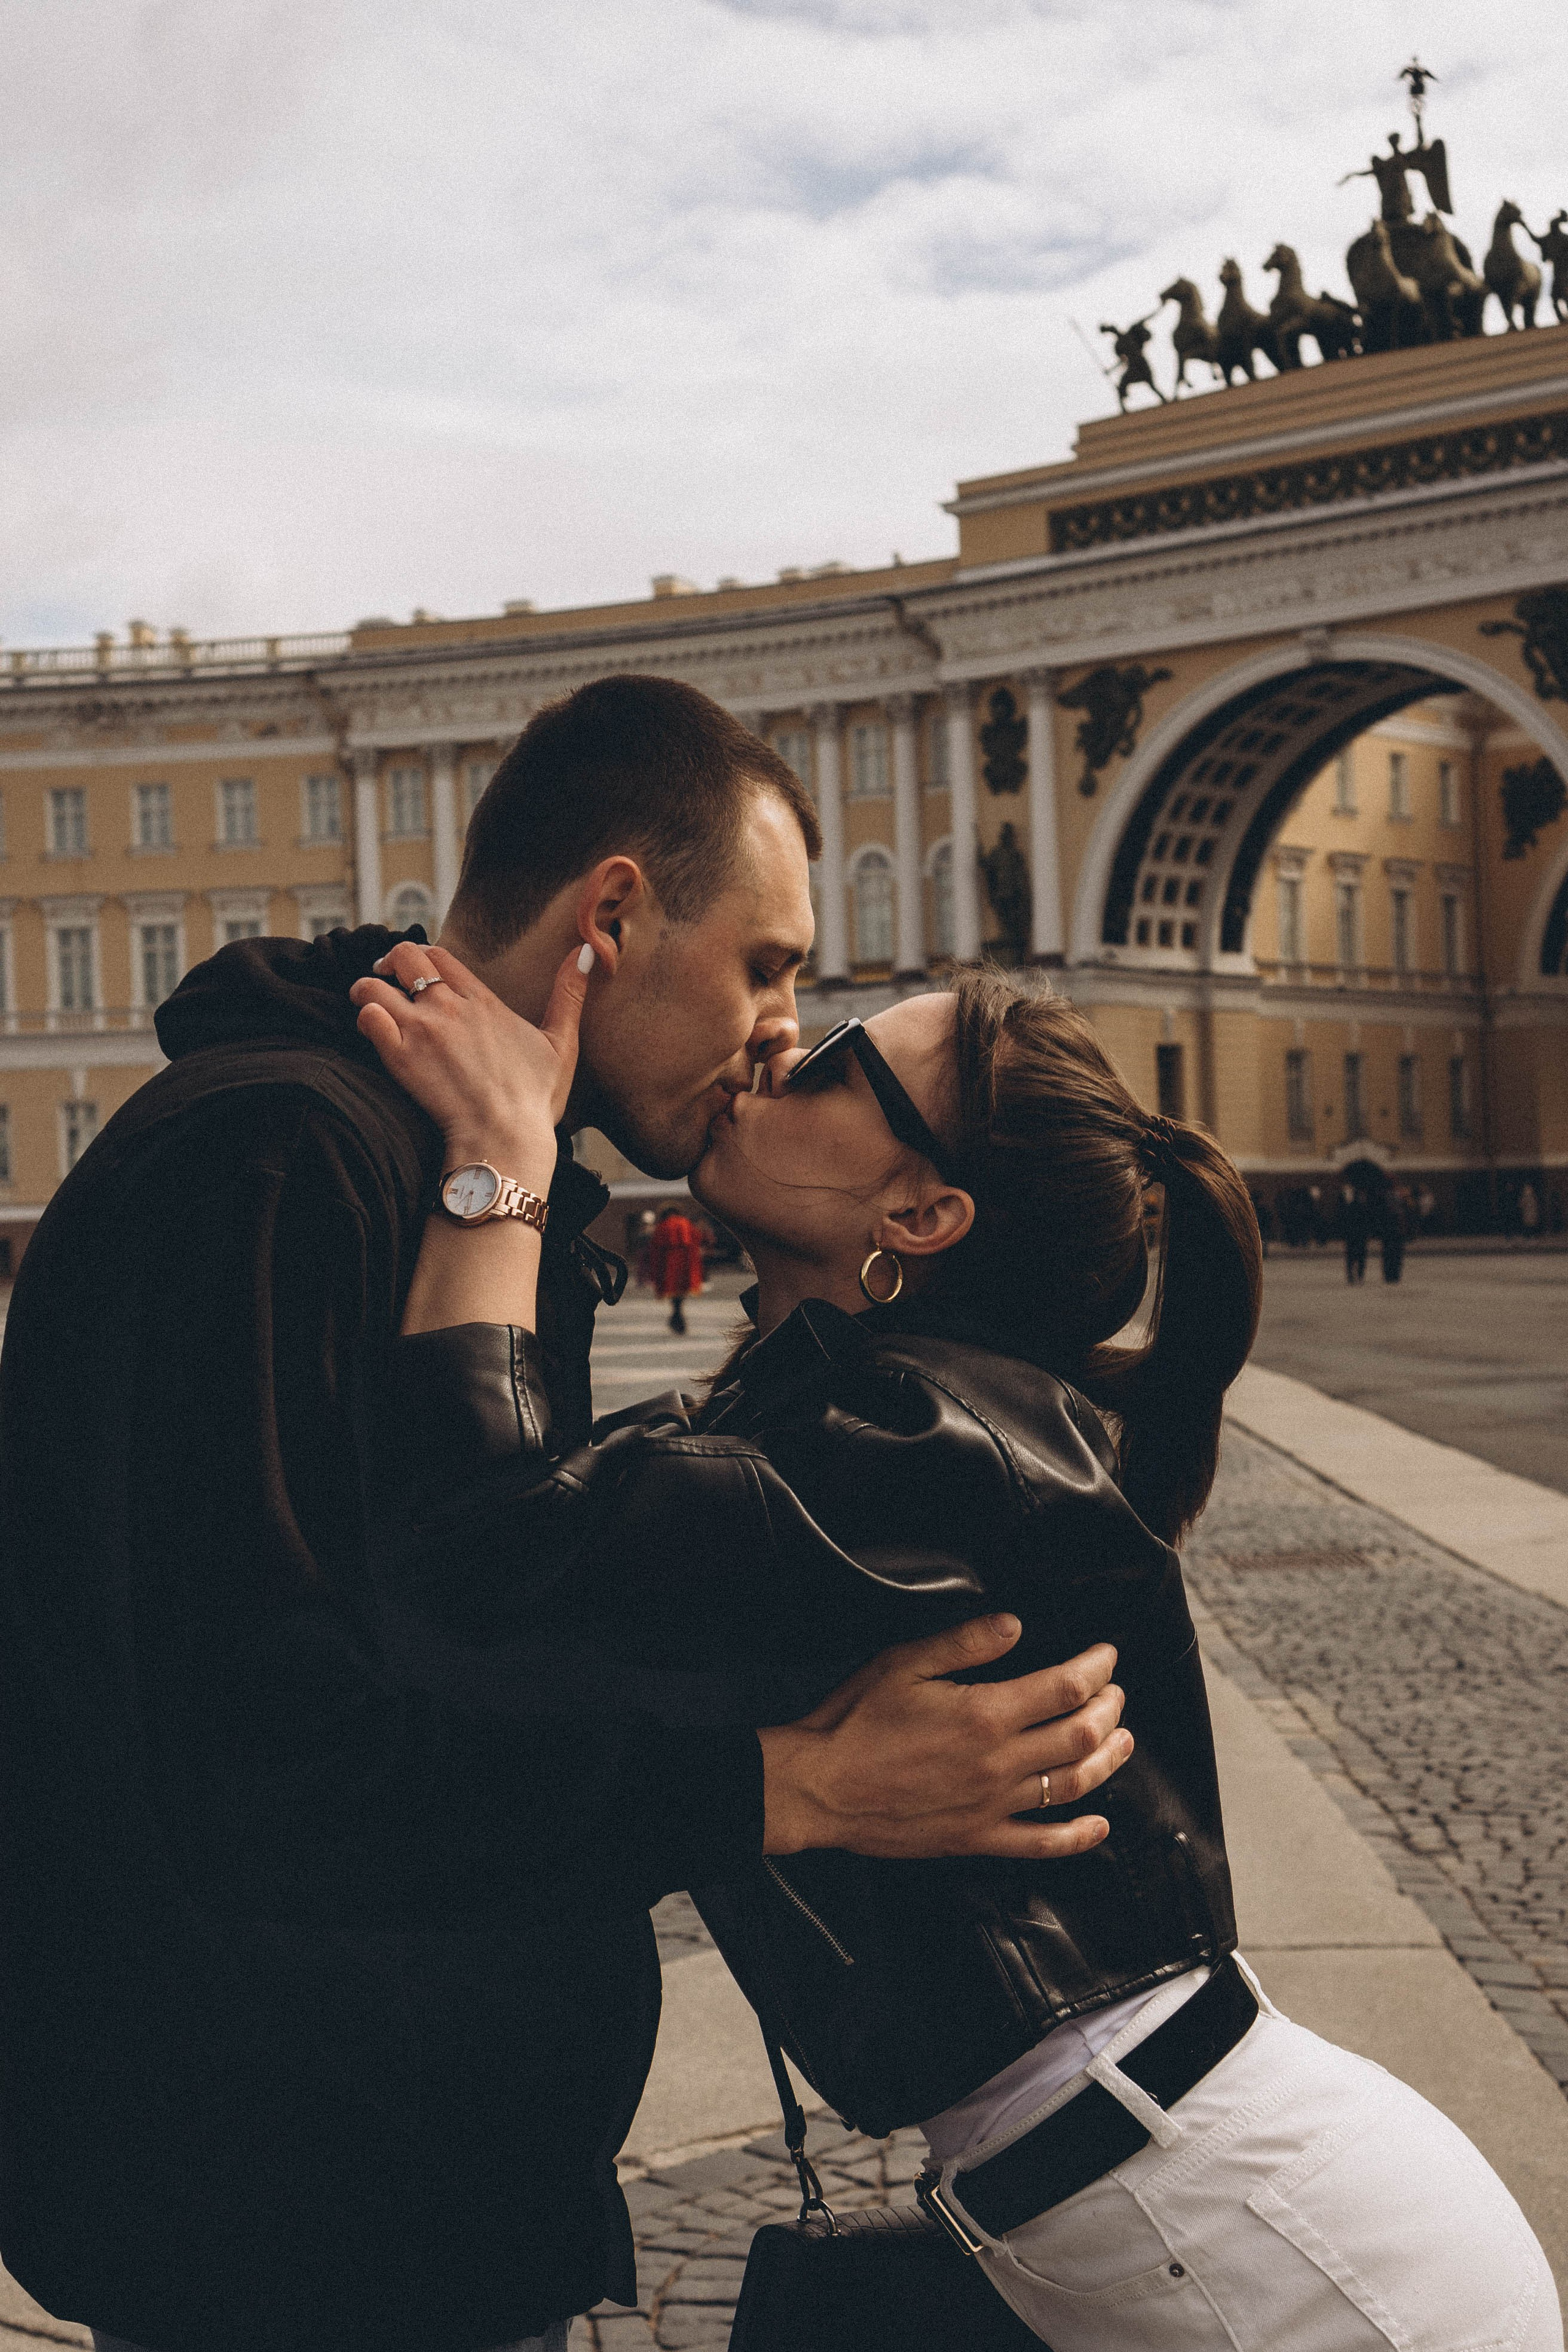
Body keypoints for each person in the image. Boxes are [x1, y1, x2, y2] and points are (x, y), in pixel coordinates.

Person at [0, 676, 1131, 2352]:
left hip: (406, 2194)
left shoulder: (446, 1169)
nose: (781, 1025)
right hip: (293, 2220)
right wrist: (779, 1786)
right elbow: (266, 1752)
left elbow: (488, 1632)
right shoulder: (287, 1165)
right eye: (769, 964)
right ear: (613, 913)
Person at [354, 941, 1561, 2352]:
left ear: (921, 1208)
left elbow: (481, 1557)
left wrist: (499, 1161)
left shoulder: (910, 1445)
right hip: (1210, 2201)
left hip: (1278, 2258)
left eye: (835, 1058)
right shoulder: (889, 1422)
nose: (775, 1048)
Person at [646, 1198, 706, 1333]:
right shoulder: (687, 1223)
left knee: (674, 1295)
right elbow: (697, 1240)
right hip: (686, 1265)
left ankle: (677, 1317)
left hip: (669, 1266)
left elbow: (656, 1249)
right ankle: (678, 1318)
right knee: (681, 1294)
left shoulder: (663, 1226)